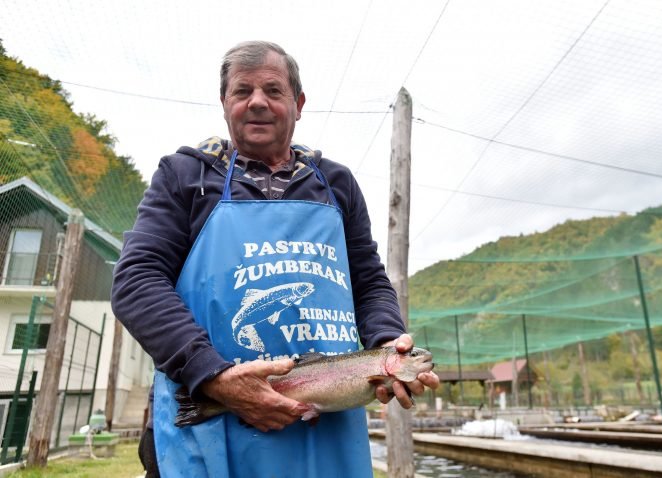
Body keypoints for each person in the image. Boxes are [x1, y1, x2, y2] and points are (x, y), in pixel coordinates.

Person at [111, 40, 439, 477]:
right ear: (225, 103)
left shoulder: (336, 184)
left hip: (327, 428)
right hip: (207, 421)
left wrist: (386, 342)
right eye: (242, 91)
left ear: (298, 104)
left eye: (273, 90)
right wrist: (213, 378)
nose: (257, 102)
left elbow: (369, 282)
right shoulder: (186, 176)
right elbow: (136, 280)